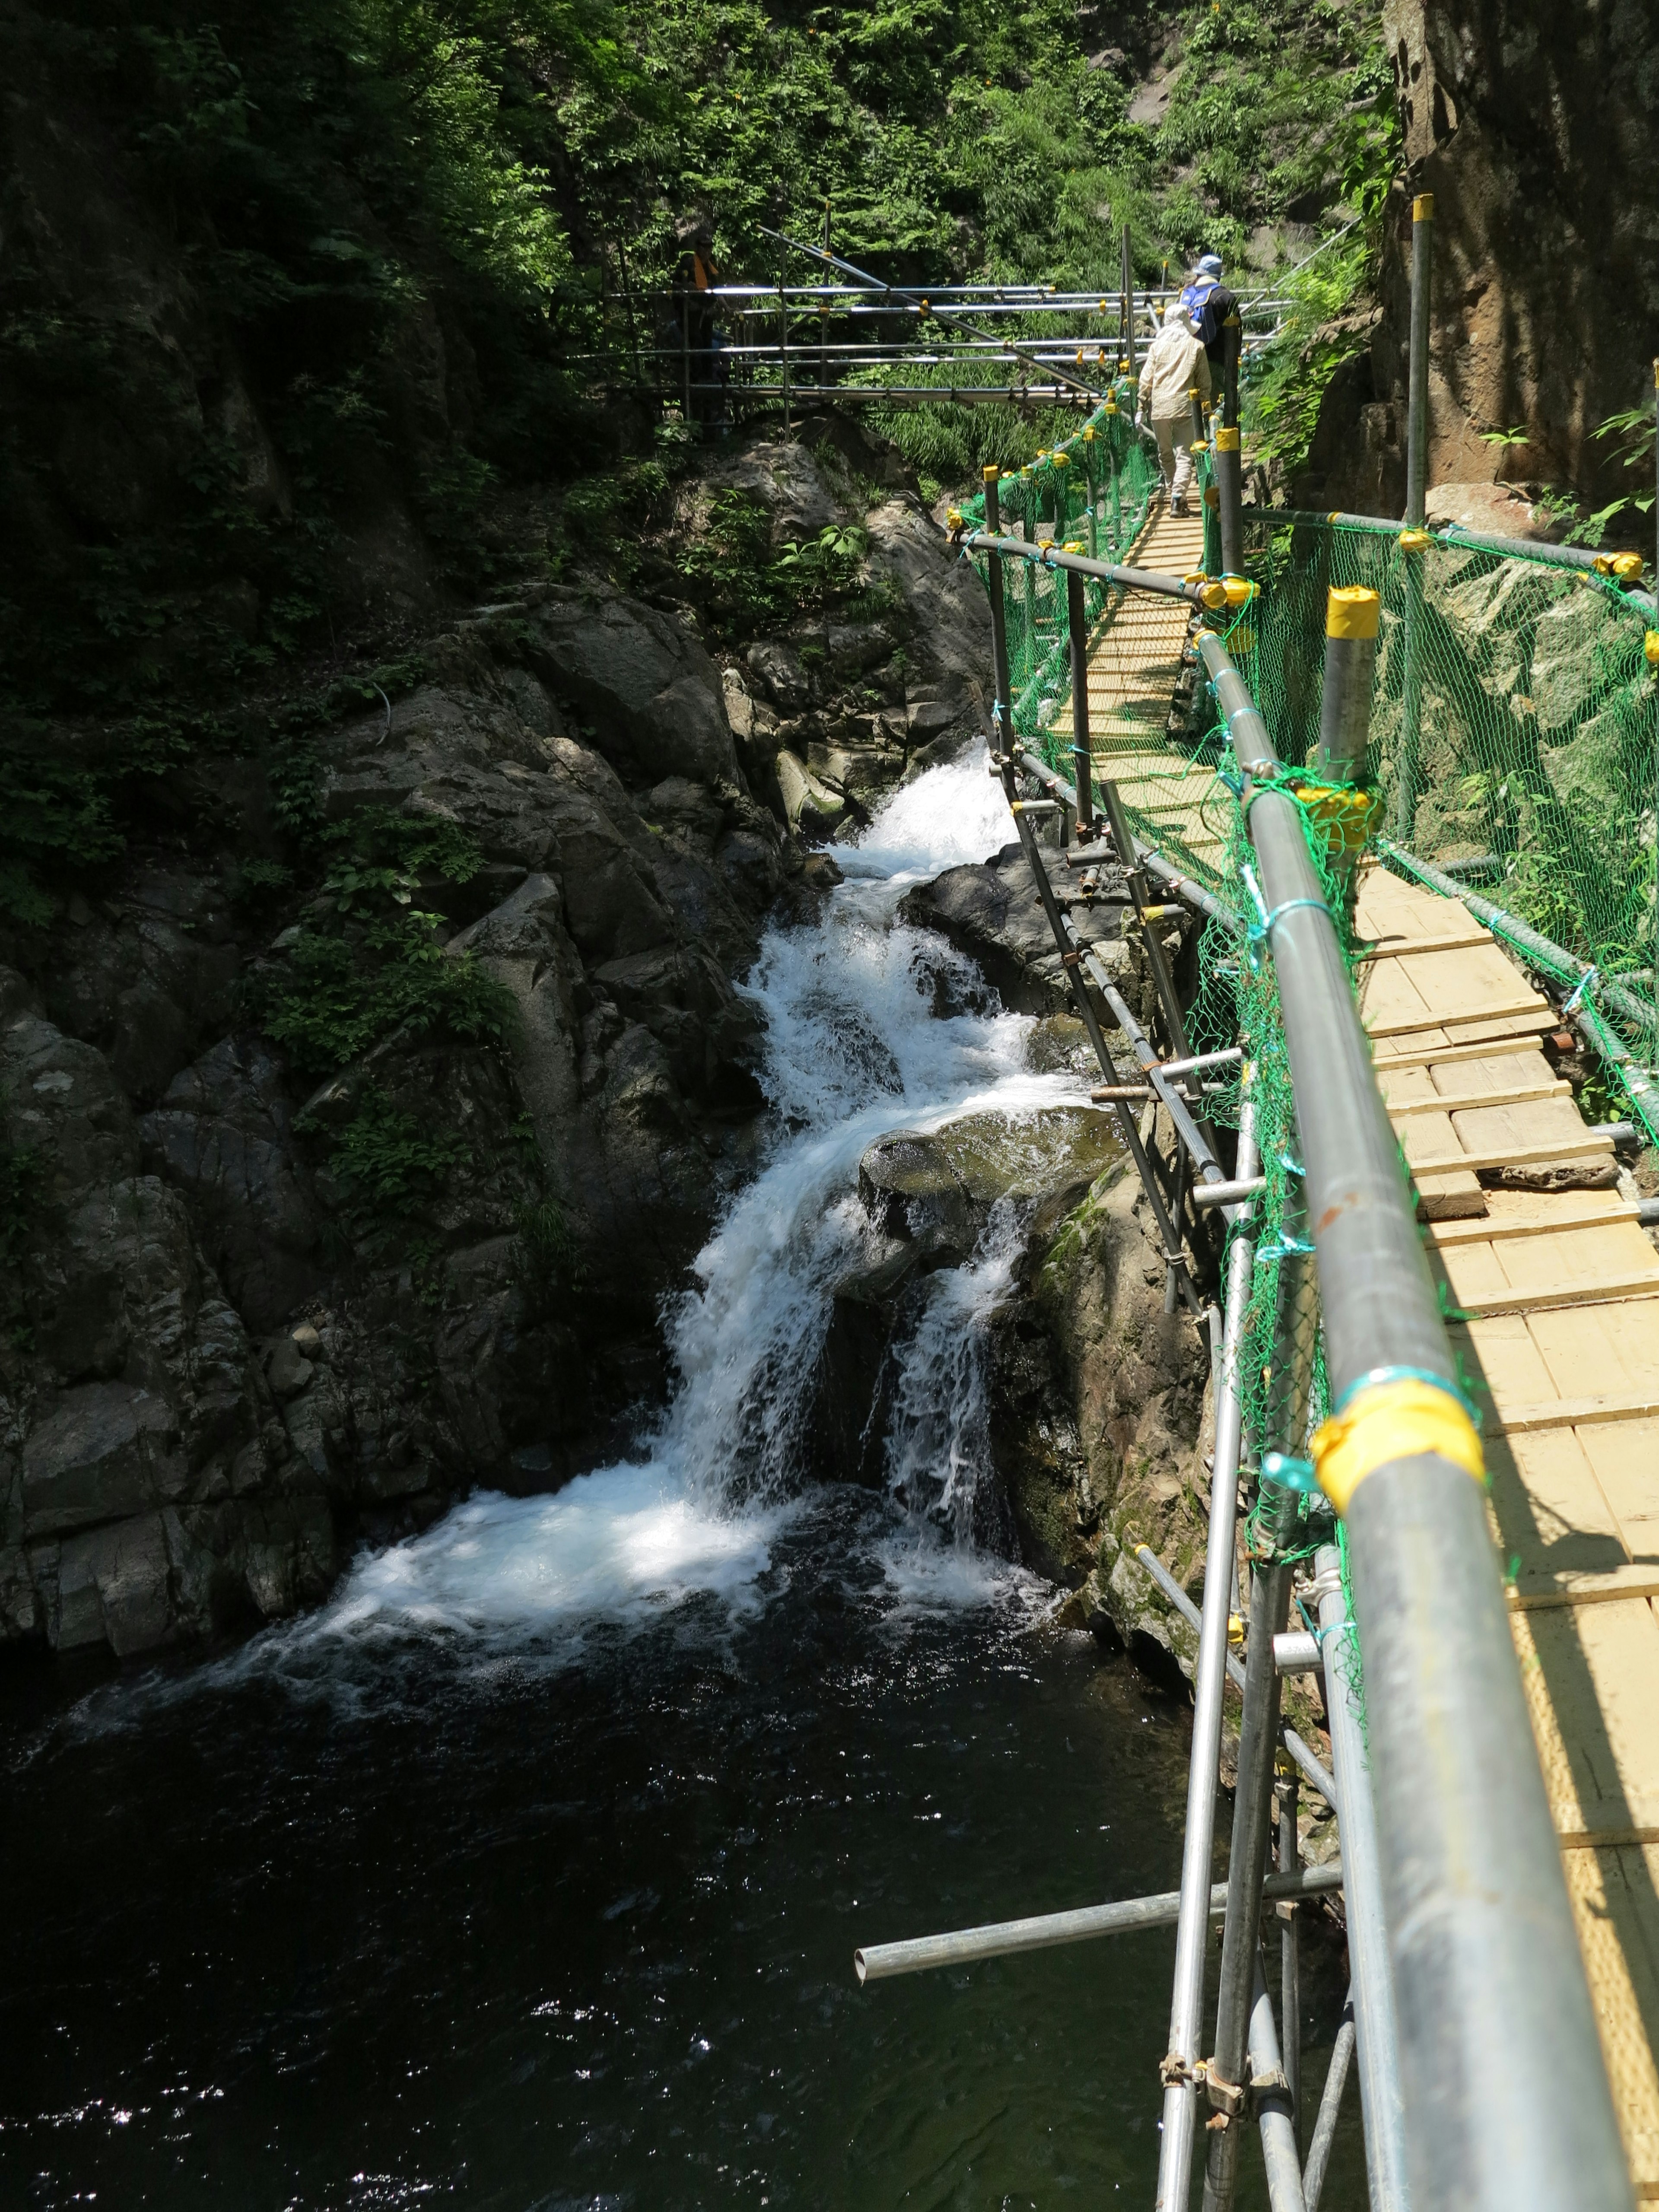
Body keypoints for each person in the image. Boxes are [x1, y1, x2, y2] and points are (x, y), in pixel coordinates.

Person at [1136, 295, 1211, 515]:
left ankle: (1175, 494)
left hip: (1159, 408)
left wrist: (1141, 407)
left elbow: (1145, 379)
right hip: (1185, 407)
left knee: (1165, 453)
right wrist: (1207, 409)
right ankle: (1178, 497)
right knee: (1185, 455)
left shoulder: (1156, 347)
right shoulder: (1197, 346)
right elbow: (1204, 382)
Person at [1180, 251, 1240, 381]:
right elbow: (1236, 334)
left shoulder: (1187, 295)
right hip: (1215, 363)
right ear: (1218, 277)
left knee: (1192, 399)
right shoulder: (1224, 296)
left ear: (1199, 274)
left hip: (1186, 360)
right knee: (1215, 400)